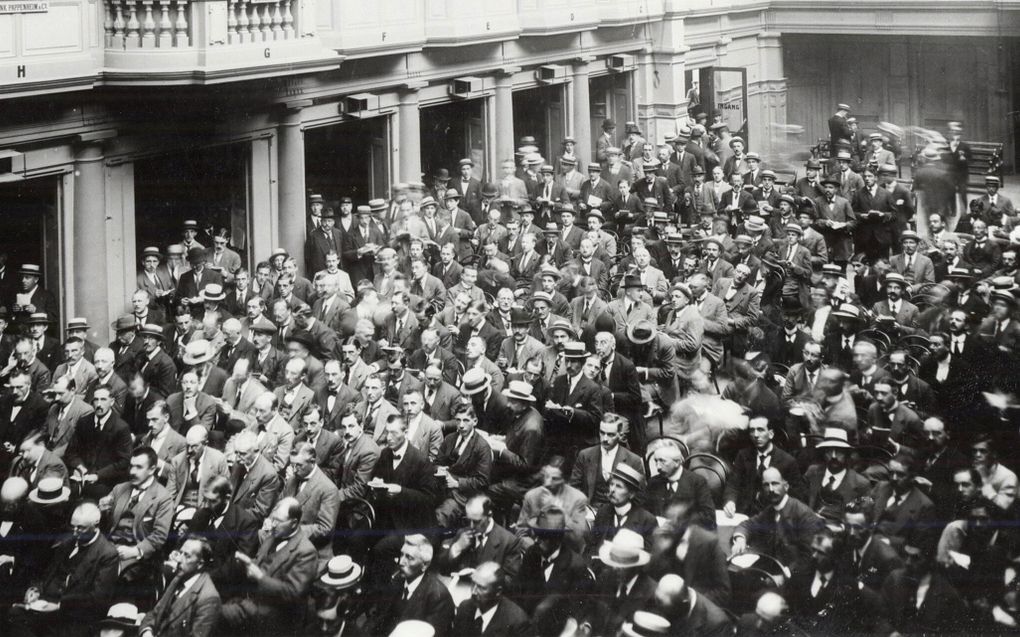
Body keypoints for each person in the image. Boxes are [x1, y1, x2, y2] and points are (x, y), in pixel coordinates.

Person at [220, 497, 319, 635]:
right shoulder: (274, 535)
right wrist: (248, 563)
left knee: (216, 613)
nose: (272, 524)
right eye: (272, 519)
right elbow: (263, 562)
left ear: (294, 523)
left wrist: (260, 577)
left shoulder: (306, 552)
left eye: (277, 521)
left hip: (276, 614)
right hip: (253, 600)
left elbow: (293, 593)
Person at [139, 537, 221, 637]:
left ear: (200, 564)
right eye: (180, 553)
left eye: (187, 556)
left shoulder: (209, 599)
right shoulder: (179, 578)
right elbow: (155, 613)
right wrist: (146, 632)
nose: (178, 559)